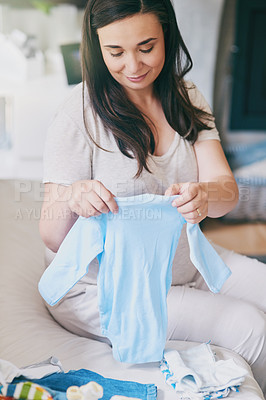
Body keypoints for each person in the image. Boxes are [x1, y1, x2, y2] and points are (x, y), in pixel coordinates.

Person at [39, 0, 266, 395]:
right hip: (106, 289)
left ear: (168, 37)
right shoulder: (79, 113)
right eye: (115, 52)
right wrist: (74, 197)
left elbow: (226, 194)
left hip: (185, 265)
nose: (133, 65)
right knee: (251, 328)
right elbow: (52, 236)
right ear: (96, 48)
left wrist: (204, 195)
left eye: (147, 47)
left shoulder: (186, 96)